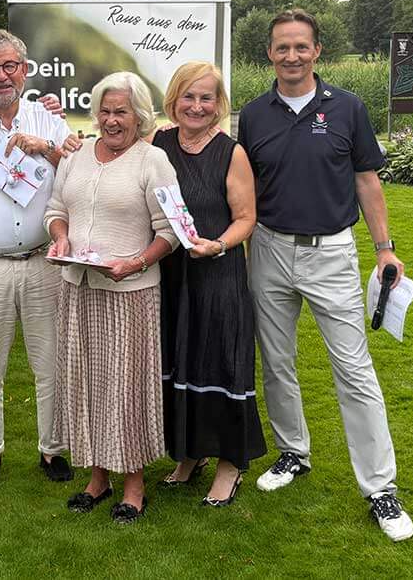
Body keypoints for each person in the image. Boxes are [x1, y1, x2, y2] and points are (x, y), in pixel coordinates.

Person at [238, 9, 413, 541]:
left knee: (354, 370)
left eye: (301, 46)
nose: (291, 56)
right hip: (268, 248)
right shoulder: (254, 115)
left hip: (331, 253)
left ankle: (380, 487)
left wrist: (384, 250)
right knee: (276, 363)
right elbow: (245, 189)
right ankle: (293, 452)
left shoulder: (348, 108)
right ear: (269, 54)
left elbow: (366, 182)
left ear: (317, 51)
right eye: (282, 47)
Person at [45, 71, 179, 524]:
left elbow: (170, 232)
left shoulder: (153, 161)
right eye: (104, 111)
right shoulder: (76, 154)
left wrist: (136, 262)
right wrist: (60, 237)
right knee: (85, 382)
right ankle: (97, 478)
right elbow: (56, 210)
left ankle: (134, 486)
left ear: (139, 116)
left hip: (129, 294)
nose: (111, 120)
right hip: (77, 288)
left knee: (125, 388)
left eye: (121, 111)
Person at [0, 29, 79, 487]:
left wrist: (46, 148)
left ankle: (52, 448)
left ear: (24, 70)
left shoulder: (49, 119)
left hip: (44, 260)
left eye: (9, 66)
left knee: (51, 363)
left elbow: (79, 173)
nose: (1, 76)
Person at [152, 61, 266, 506]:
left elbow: (246, 218)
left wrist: (217, 245)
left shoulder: (231, 152)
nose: (197, 106)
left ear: (219, 105)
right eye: (189, 96)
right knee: (181, 362)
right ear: (174, 100)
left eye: (206, 98)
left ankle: (230, 464)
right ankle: (189, 454)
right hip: (172, 275)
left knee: (219, 364)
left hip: (217, 273)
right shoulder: (159, 142)